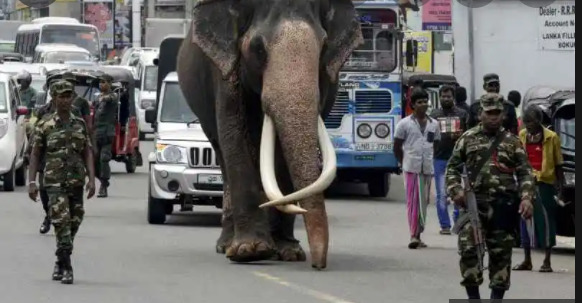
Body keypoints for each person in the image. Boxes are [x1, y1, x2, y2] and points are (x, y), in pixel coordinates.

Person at [446, 93, 535, 300]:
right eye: (489, 113)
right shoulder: (467, 138)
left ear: (503, 114)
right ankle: (473, 298)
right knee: (469, 254)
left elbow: (525, 172)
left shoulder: (512, 142)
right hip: (473, 207)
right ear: (480, 114)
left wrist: (527, 197)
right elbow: (452, 168)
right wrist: (455, 190)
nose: (493, 117)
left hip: (503, 208)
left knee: (501, 257)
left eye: (497, 113)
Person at [27, 80, 96, 285]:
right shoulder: (45, 125)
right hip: (54, 182)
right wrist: (31, 182)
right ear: (54, 98)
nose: (66, 100)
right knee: (61, 224)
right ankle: (67, 267)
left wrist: (92, 179)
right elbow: (35, 155)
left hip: (75, 181)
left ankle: (59, 258)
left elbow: (87, 152)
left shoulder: (79, 123)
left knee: (75, 221)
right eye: (61, 96)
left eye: (69, 96)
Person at [513, 105, 564, 273]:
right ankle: (527, 260)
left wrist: (560, 187)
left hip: (545, 184)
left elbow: (558, 164)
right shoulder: (522, 136)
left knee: (546, 222)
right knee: (524, 220)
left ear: (539, 121)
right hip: (527, 183)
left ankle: (547, 260)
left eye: (532, 121)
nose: (528, 125)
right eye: (526, 121)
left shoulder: (552, 137)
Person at [394, 87, 441, 249]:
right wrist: (403, 162)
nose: (423, 105)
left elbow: (435, 143)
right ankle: (413, 235)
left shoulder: (434, 124)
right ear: (412, 105)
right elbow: (397, 146)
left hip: (427, 168)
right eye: (419, 102)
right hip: (411, 168)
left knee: (424, 202)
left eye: (425, 102)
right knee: (413, 202)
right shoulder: (404, 124)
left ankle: (419, 234)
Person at [430, 85, 468, 235]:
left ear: (454, 98)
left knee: (459, 191)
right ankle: (445, 225)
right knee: (441, 194)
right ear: (439, 98)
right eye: (443, 96)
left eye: (449, 96)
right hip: (439, 158)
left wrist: (460, 135)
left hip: (458, 158)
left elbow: (468, 135)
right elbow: (430, 137)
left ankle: (458, 223)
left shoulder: (462, 114)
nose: (446, 99)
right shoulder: (434, 115)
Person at [93, 73, 118, 198]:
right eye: (100, 82)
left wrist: (104, 98)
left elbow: (111, 99)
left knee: (104, 159)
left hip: (107, 133)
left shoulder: (113, 96)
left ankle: (103, 185)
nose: (101, 84)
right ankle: (104, 180)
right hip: (96, 133)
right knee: (94, 161)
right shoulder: (97, 98)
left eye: (104, 82)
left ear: (109, 83)